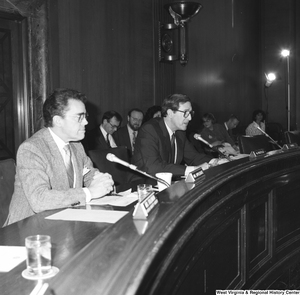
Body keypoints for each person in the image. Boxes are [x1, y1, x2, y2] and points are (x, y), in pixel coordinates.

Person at [5, 88, 114, 225]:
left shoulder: (76, 145)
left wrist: (102, 180)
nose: (86, 122)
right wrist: (89, 193)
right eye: (79, 117)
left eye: (85, 116)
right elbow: (39, 200)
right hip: (29, 229)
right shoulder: (32, 149)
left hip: (66, 222)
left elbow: (89, 174)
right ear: (58, 121)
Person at [131, 94, 212, 178]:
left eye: (191, 113)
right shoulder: (149, 129)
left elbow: (193, 156)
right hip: (143, 184)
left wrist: (214, 161)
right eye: (185, 113)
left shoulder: (180, 132)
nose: (190, 118)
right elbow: (153, 167)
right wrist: (192, 169)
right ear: (170, 113)